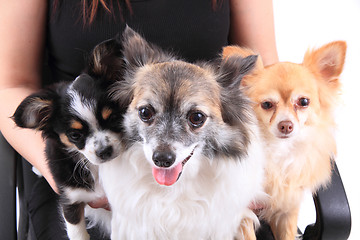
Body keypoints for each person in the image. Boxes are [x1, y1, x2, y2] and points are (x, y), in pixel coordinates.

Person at [0, 0, 278, 239]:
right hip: (89, 174)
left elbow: (265, 77)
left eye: (195, 117)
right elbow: (10, 86)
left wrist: (264, 175)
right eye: (146, 112)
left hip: (214, 176)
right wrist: (74, 179)